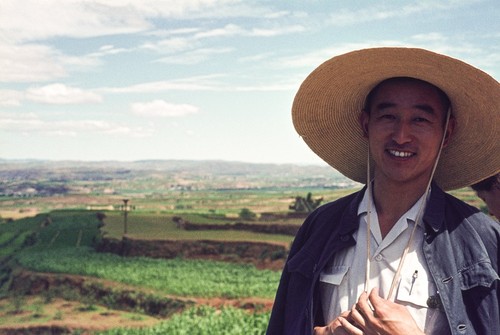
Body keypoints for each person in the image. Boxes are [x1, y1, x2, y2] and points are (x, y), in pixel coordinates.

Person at [266, 47, 499, 335]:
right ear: (366, 125)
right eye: (388, 117)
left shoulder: (481, 240)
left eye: (420, 120)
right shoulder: (319, 226)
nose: (401, 136)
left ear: (447, 132)